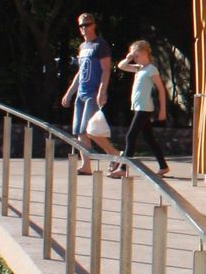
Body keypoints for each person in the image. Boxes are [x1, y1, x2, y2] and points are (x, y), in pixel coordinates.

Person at [58, 13, 115, 175]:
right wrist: (69, 93)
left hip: (93, 93)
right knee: (79, 131)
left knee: (90, 130)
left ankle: (114, 154)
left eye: (87, 24)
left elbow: (106, 70)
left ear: (94, 24)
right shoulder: (83, 47)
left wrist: (102, 91)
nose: (84, 28)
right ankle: (86, 165)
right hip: (81, 94)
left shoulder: (101, 45)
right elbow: (80, 72)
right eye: (81, 25)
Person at [112, 39, 171, 178]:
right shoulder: (139, 68)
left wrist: (162, 110)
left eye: (136, 53)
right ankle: (163, 166)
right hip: (138, 107)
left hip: (144, 108)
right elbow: (121, 66)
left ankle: (123, 167)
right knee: (149, 138)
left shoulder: (151, 69)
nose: (135, 56)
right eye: (134, 54)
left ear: (145, 52)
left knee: (130, 136)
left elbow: (161, 90)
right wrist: (129, 57)